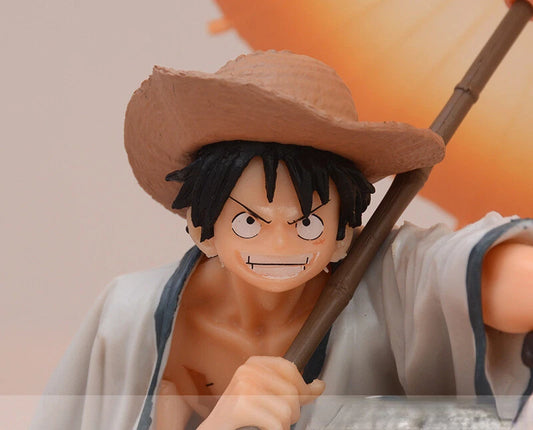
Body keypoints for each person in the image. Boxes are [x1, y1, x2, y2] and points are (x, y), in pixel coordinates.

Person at [31, 51, 533, 430]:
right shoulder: (131, 316)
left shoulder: (386, 284)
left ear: (344, 235)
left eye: (307, 224)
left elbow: (473, 277)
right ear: (202, 227)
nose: (278, 246)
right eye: (250, 222)